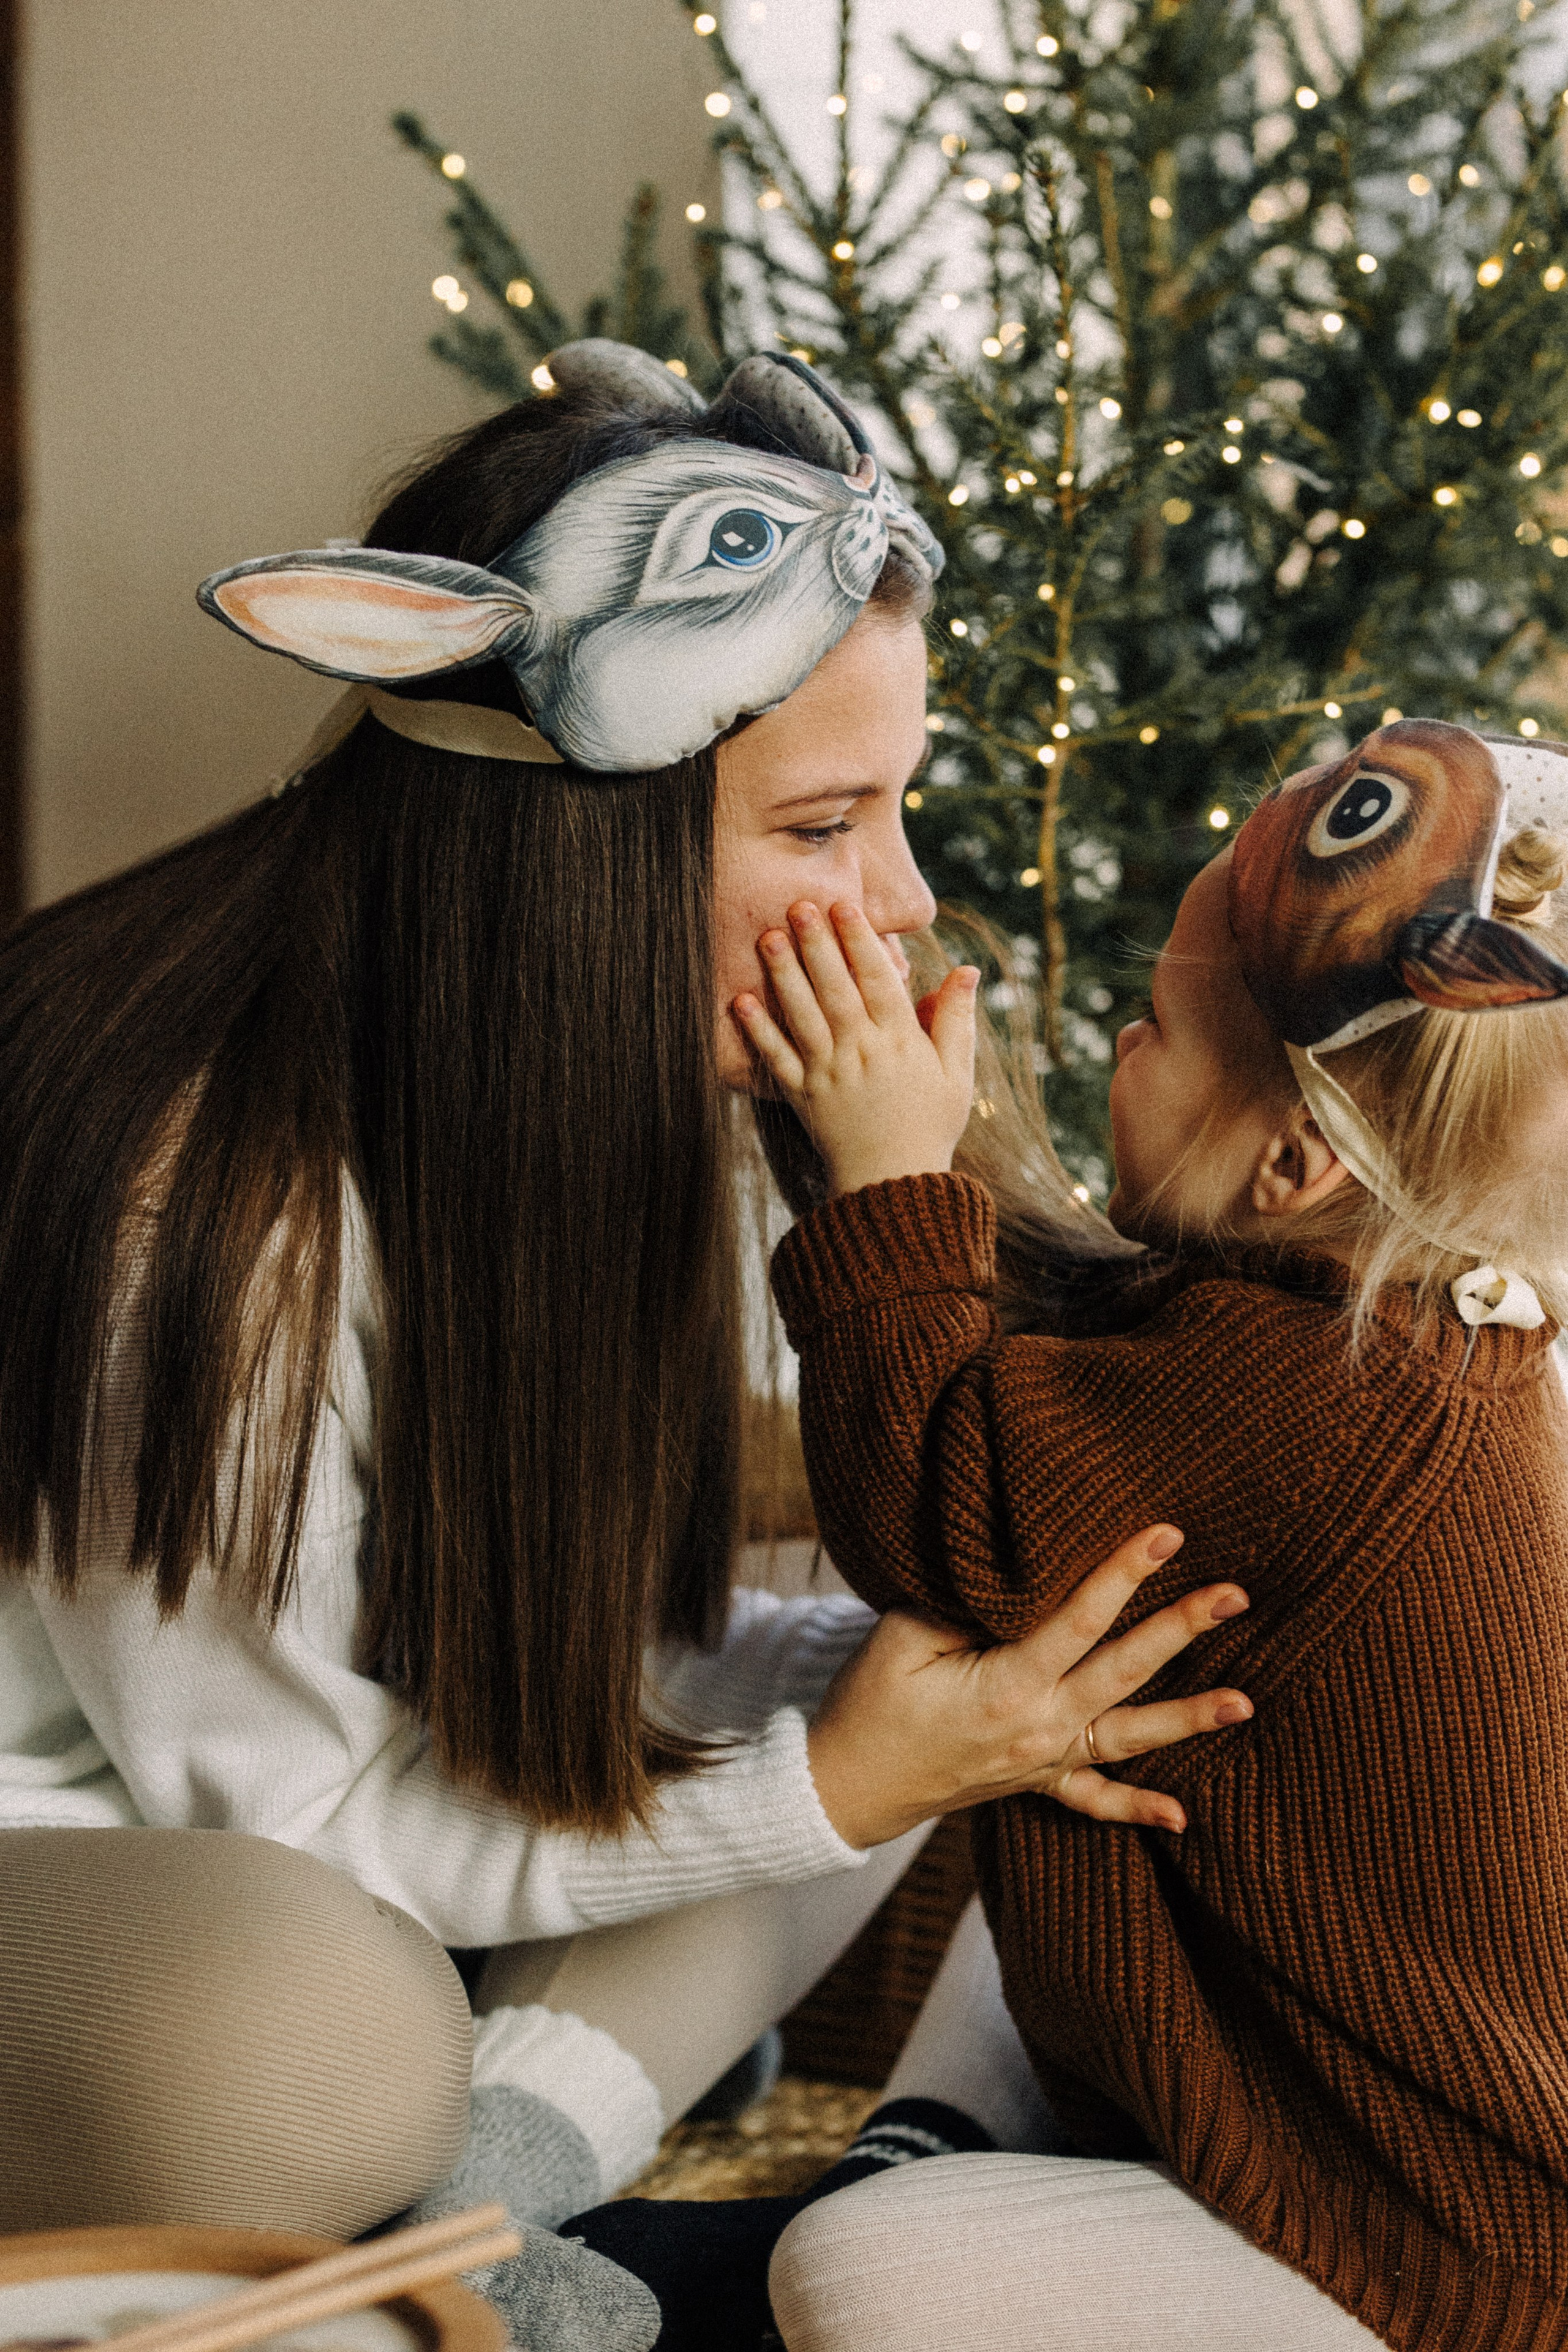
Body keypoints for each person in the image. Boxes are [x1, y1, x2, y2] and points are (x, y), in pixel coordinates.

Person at [0, 342, 1253, 2352]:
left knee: (944, 1659)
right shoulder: (196, 1203)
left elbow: (586, 1665)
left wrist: (894, 1721)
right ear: (574, 850)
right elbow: (286, 1823)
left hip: (362, 1846)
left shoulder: (594, 1099)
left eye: (898, 809)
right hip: (123, 1877)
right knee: (321, 2029)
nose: (907, 903)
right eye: (830, 822)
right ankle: (444, 2130)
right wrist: (820, 1792)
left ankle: (497, 2195)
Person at [611, 715, 1568, 2352]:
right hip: (1369, 2105)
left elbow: (936, 1513)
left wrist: (872, 1187)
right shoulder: (1393, 1326)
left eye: (1150, 1026)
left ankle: (897, 2185)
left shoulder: (1305, 1390)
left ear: (1292, 1159)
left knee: (860, 2280)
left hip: (1443, 2251)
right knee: (1063, 1800)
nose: (1116, 1051)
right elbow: (1052, 1379)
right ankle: (936, 2146)